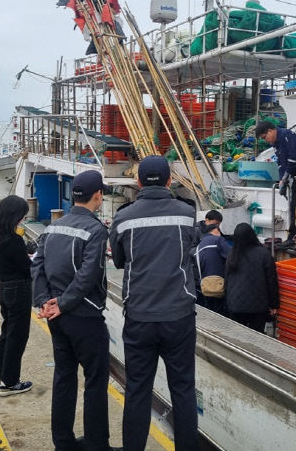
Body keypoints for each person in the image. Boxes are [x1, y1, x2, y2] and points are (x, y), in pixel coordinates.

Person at [110, 155, 199, 451]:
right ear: (169, 181)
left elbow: (120, 261)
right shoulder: (187, 213)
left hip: (140, 316)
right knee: (183, 391)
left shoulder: (124, 218)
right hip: (179, 316)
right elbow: (190, 247)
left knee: (137, 390)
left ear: (137, 182)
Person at [31, 170, 120, 451]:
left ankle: (64, 442)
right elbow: (88, 274)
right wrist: (65, 303)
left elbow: (38, 265)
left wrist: (46, 301)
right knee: (95, 381)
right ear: (98, 195)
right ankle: (96, 444)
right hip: (84, 316)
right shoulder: (95, 230)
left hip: (57, 319)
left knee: (64, 378)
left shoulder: (53, 227)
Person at [0, 195, 34, 397]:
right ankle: (10, 382)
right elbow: (26, 268)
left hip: (4, 287)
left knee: (7, 331)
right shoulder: (14, 240)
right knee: (18, 335)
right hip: (19, 289)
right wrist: (32, 258)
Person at [255, 120, 296, 241]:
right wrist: (281, 180)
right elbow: (281, 163)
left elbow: (294, 159)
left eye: (265, 137)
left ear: (270, 130)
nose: (266, 140)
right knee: (293, 206)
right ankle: (293, 236)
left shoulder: (287, 136)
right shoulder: (275, 144)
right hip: (294, 176)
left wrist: (285, 178)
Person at [225, 223, 279, 333]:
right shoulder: (264, 254)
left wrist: (228, 302)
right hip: (258, 307)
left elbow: (227, 282)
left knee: (238, 338)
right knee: (256, 339)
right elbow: (271, 282)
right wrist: (274, 304)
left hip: (235, 306)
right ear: (252, 235)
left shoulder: (232, 255)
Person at [194, 213, 230, 315]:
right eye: (216, 224)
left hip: (206, 274)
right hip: (202, 273)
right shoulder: (197, 231)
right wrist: (204, 250)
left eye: (219, 224)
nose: (218, 227)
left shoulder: (215, 235)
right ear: (207, 220)